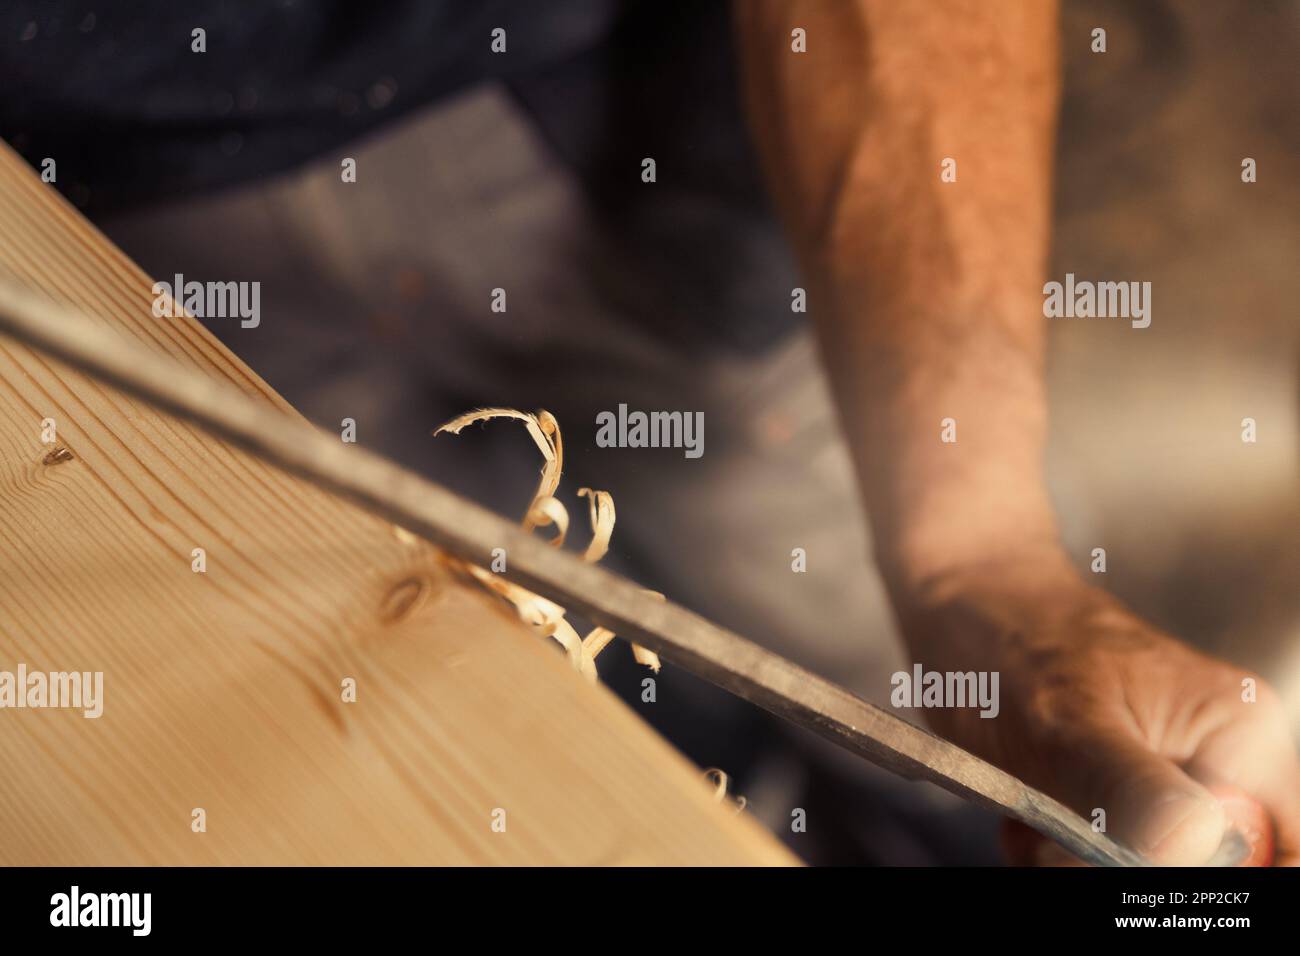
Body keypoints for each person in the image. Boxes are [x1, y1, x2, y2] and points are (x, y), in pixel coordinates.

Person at [4, 0, 1294, 865]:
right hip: (90, 190)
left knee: (858, 605)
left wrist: (981, 560)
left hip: (602, 96)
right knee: (405, 649)